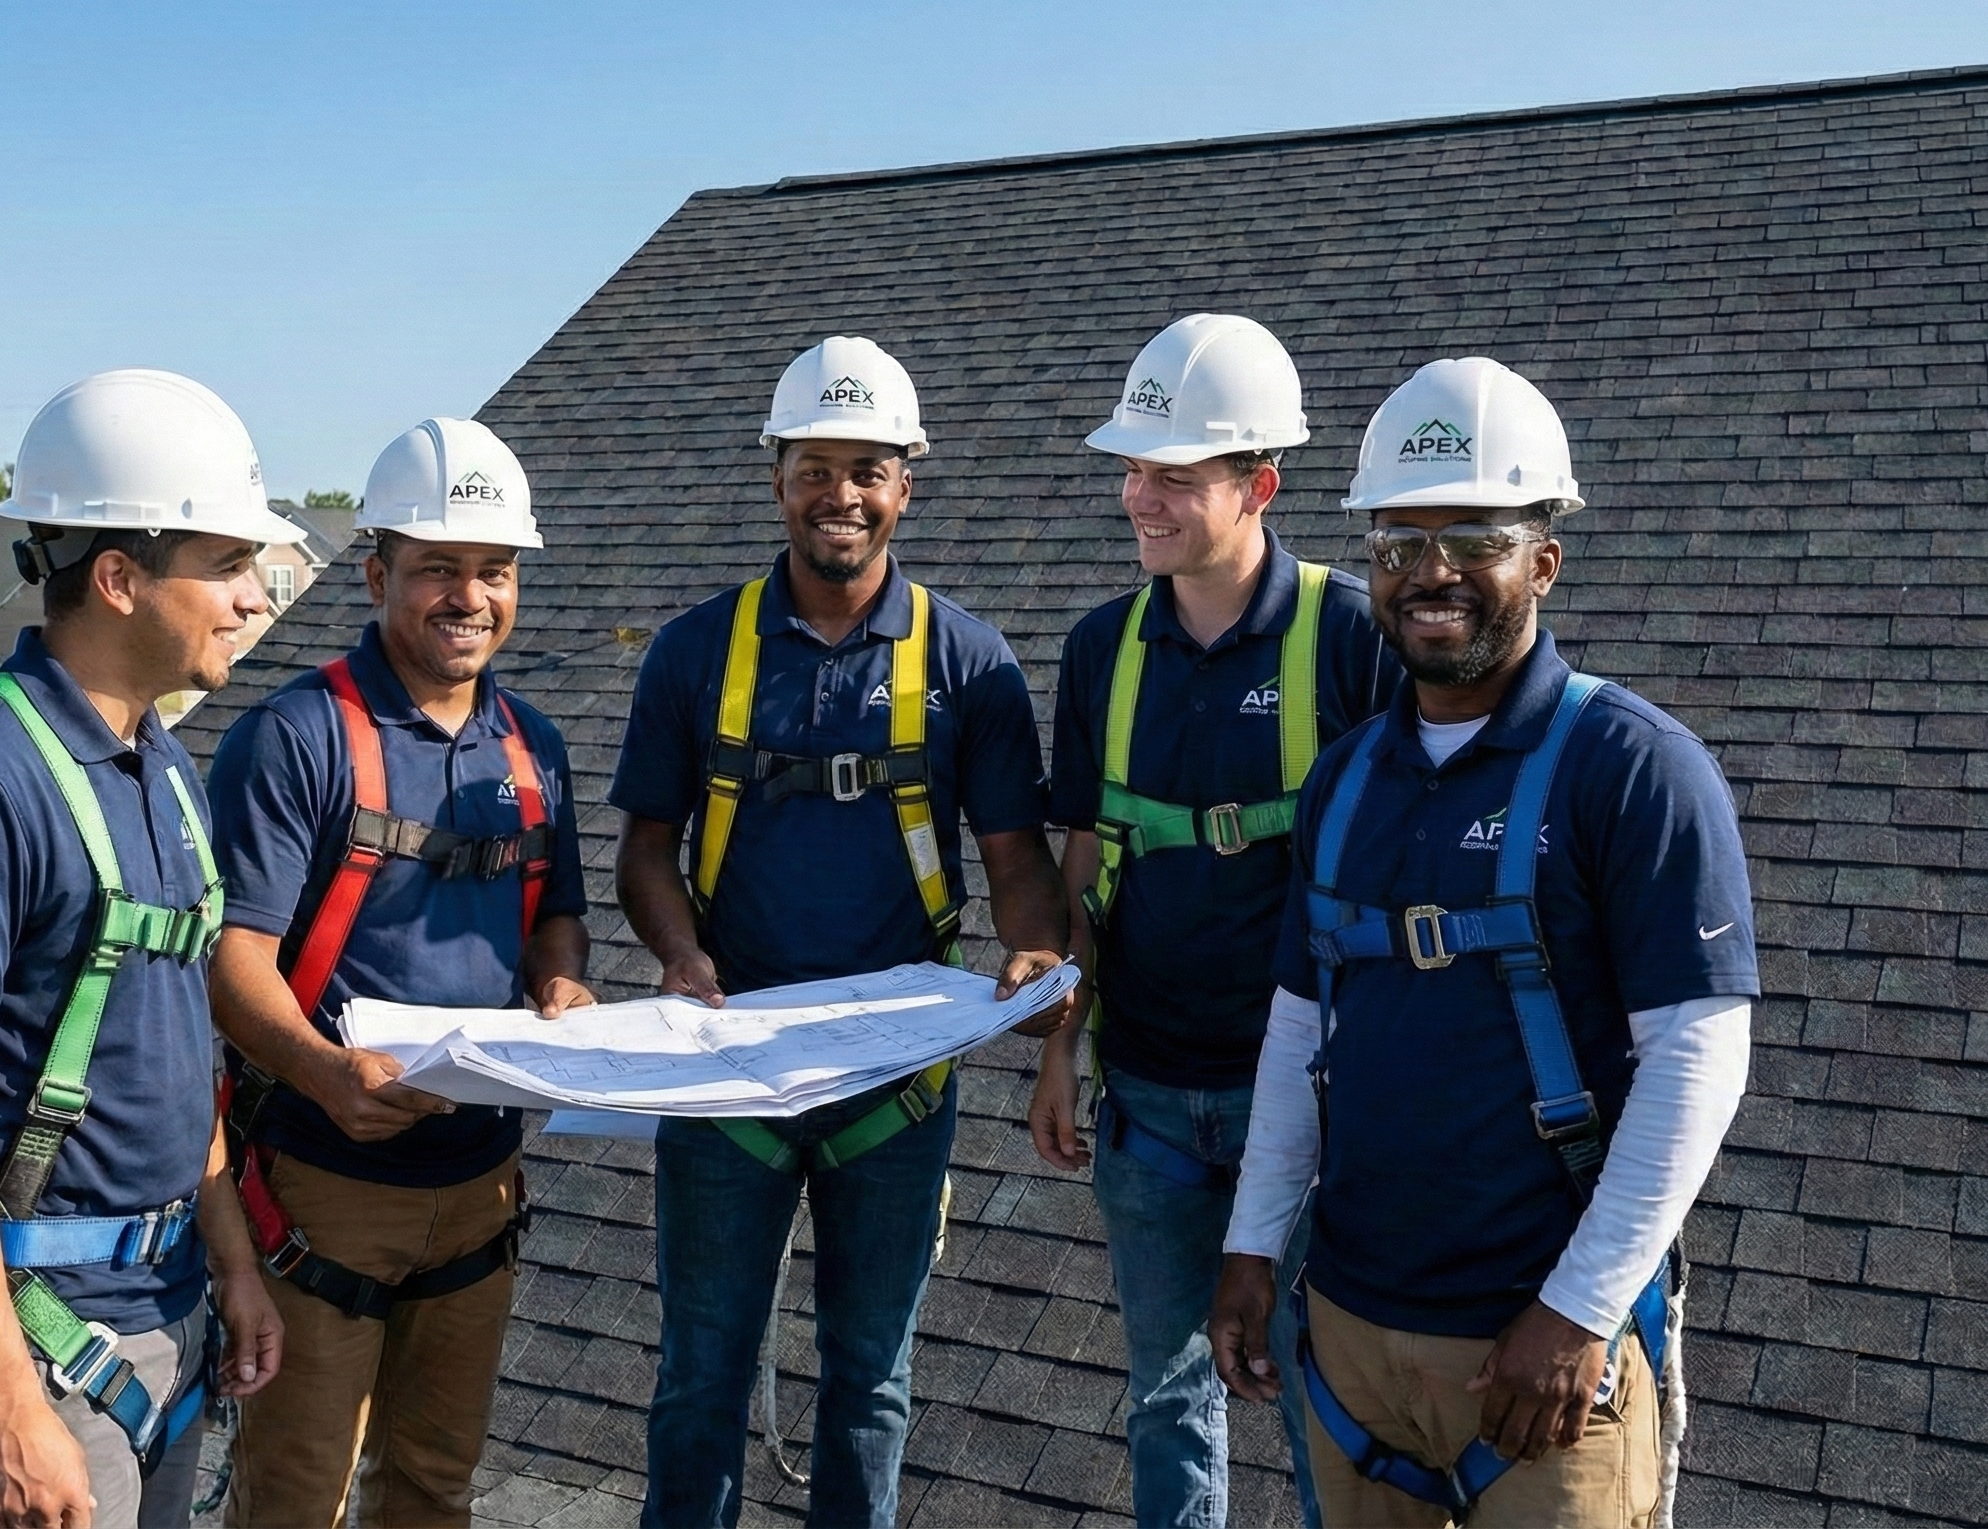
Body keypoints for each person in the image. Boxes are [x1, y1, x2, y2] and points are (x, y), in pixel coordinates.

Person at [1205, 357, 1758, 1528]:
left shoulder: (1633, 771)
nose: (1428, 574)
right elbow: (1301, 1024)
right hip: (1352, 1332)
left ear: (1542, 560)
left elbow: (1698, 1059)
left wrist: (1580, 1308)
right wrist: (1252, 1245)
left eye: (1472, 538)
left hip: (1538, 1350)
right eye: (1398, 544)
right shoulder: (1345, 780)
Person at [611, 336, 1073, 1528]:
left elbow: (1016, 863)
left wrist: (1027, 951)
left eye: (868, 468)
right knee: (697, 1373)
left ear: (905, 484)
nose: (842, 495)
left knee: (870, 1383)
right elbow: (643, 851)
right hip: (732, 1067)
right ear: (777, 476)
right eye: (817, 466)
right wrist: (676, 955)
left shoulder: (964, 665)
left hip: (893, 1080)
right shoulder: (697, 651)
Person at [0, 369, 292, 1529]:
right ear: (118, 576)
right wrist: (2, 1406)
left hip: (173, 1306)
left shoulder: (165, 768)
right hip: (44, 1337)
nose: (255, 598)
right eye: (229, 564)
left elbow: (178, 1054)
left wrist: (233, 1262)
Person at [1030, 314, 1398, 1528]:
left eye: (1174, 478)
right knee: (1166, 1397)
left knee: (1314, 1396)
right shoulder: (1103, 649)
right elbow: (1085, 854)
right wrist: (1057, 1045)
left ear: (1260, 485)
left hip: (1299, 1106)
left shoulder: (1348, 639)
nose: (1139, 499)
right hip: (1144, 1102)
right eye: (1133, 472)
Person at [202, 418, 593, 1529]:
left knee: (433, 1488)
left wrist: (561, 988)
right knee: (294, 1498)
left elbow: (554, 919)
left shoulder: (534, 749)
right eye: (437, 570)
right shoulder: (298, 738)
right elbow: (229, 962)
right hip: (325, 1187)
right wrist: (324, 1072)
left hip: (479, 1185)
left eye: (493, 570)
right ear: (376, 575)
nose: (469, 596)